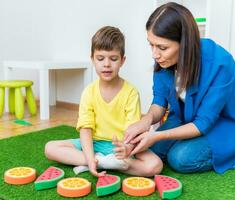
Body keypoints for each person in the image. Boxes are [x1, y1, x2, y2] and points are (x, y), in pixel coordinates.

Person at [124, 2, 235, 174]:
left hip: (223, 125)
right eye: (151, 44)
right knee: (150, 150)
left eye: (162, 47)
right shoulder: (163, 60)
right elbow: (159, 102)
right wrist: (145, 122)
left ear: (185, 43)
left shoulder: (220, 64)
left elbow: (203, 122)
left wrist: (157, 135)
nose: (154, 54)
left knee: (179, 159)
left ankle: (228, 154)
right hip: (186, 117)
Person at [45, 26, 163, 177]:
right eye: (100, 58)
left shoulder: (131, 92)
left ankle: (101, 162)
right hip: (94, 144)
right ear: (92, 59)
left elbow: (133, 131)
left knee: (155, 165)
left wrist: (126, 149)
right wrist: (89, 156)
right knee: (50, 148)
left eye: (113, 59)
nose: (106, 64)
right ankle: (100, 162)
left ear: (122, 61)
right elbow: (85, 129)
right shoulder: (88, 92)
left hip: (120, 146)